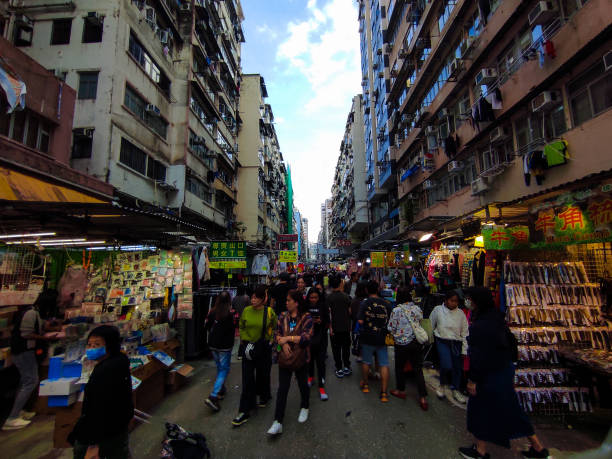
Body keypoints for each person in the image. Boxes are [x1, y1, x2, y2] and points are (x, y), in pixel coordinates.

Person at [459, 288, 550, 459]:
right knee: (512, 409)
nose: (468, 302)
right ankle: (538, 449)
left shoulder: (481, 325)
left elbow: (479, 356)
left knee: (479, 410)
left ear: (477, 302)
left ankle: (480, 451)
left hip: (489, 374)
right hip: (503, 370)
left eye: (470, 299)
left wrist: (472, 380)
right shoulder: (496, 318)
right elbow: (511, 345)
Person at [70, 325, 133, 459]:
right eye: (89, 344)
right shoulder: (118, 362)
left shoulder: (106, 371)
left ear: (110, 345)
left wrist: (93, 444)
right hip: (115, 431)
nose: (92, 348)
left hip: (103, 436)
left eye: (97, 344)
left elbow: (100, 409)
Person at [3, 297, 59, 431]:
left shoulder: (35, 313)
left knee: (25, 381)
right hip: (23, 351)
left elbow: (40, 326)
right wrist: (45, 337)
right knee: (30, 381)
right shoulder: (31, 313)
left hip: (25, 352)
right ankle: (12, 417)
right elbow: (26, 334)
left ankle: (19, 411)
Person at [267, 290, 314, 435]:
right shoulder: (282, 316)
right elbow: (276, 335)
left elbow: (306, 337)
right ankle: (278, 421)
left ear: (297, 302)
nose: (286, 302)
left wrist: (288, 339)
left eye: (289, 300)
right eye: (286, 300)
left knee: (302, 384)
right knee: (282, 389)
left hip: (300, 358)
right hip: (285, 358)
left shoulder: (306, 317)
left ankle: (305, 406)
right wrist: (283, 345)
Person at [233, 285, 277, 427]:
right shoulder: (246, 310)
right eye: (252, 297)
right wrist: (245, 340)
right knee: (247, 379)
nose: (253, 300)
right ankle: (244, 410)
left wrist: (271, 340)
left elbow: (275, 327)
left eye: (256, 297)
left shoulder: (269, 312)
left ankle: (264, 395)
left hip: (263, 349)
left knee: (263, 374)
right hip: (248, 349)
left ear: (263, 299)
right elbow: (242, 326)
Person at [387, 287, 428, 411]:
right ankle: (423, 398)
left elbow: (391, 327)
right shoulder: (417, 308)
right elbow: (420, 321)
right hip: (415, 343)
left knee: (400, 368)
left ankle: (400, 390)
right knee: (418, 369)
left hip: (401, 344)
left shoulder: (396, 310)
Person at [430, 290, 469, 404]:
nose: (454, 303)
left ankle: (455, 389)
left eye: (456, 301)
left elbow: (465, 332)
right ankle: (442, 385)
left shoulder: (461, 313)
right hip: (442, 341)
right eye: (452, 301)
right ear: (446, 300)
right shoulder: (438, 310)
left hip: (457, 343)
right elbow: (431, 325)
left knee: (457, 368)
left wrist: (464, 349)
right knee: (446, 364)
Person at [358, 280, 392, 402]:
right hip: (382, 337)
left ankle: (366, 385)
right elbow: (390, 322)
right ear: (378, 289)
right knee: (384, 364)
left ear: (367, 290)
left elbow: (360, 321)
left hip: (368, 337)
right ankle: (383, 393)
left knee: (366, 362)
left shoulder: (365, 303)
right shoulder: (386, 304)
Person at [204, 291, 235, 412]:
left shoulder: (212, 312)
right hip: (224, 346)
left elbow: (206, 326)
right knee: (223, 369)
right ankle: (214, 395)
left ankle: (221, 390)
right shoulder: (230, 314)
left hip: (213, 344)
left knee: (219, 367)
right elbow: (234, 328)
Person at [306, 288, 330, 400]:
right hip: (309, 338)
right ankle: (310, 377)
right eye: (311, 297)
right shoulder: (305, 306)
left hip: (321, 337)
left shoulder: (323, 305)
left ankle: (321, 385)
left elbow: (328, 321)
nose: (313, 300)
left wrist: (321, 322)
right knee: (309, 359)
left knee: (320, 361)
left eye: (316, 297)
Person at [327, 275, 352, 378]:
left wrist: (330, 328)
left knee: (336, 349)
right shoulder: (347, 297)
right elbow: (350, 312)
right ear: (340, 284)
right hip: (346, 326)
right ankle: (346, 366)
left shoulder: (328, 298)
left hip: (334, 328)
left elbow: (329, 314)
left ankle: (339, 368)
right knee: (346, 348)